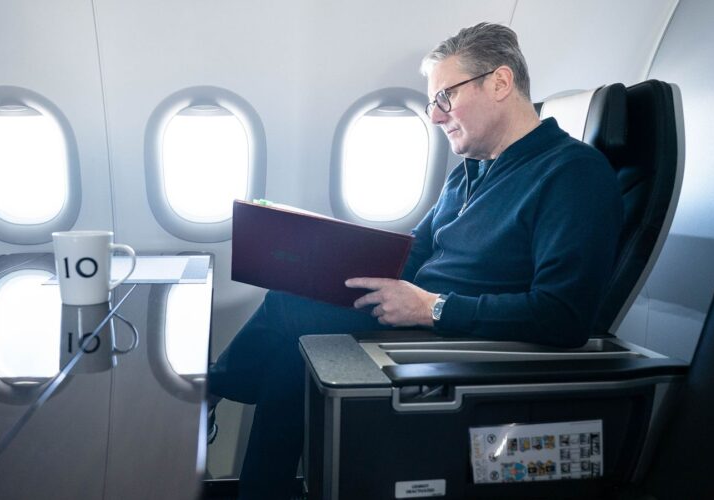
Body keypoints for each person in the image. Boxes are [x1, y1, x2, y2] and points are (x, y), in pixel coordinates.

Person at [208, 22, 622, 499]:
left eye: (445, 97)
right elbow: (413, 253)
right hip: (417, 314)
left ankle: (212, 398)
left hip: (458, 341)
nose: (435, 116)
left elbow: (564, 314)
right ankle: (261, 484)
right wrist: (316, 250)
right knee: (294, 311)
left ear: (500, 82)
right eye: (432, 102)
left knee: (288, 312)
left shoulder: (573, 175)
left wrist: (433, 308)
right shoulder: (470, 172)